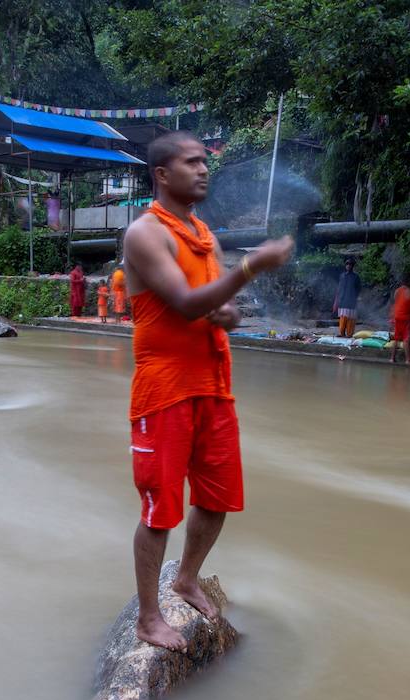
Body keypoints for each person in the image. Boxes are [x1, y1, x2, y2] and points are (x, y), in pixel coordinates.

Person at [122, 130, 293, 651]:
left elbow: (222, 312)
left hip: (214, 388)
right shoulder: (145, 234)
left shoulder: (204, 235)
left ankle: (188, 577)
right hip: (165, 389)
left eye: (205, 162)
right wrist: (250, 268)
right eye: (192, 162)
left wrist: (231, 309)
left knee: (217, 499)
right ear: (162, 174)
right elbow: (187, 303)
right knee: (160, 510)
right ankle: (149, 617)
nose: (203, 170)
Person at [389, 278, 410, 365]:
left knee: (396, 338)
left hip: (397, 317)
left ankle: (392, 358)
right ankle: (408, 360)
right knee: (406, 338)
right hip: (406, 317)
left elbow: (396, 301)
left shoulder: (397, 291)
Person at [333, 257, 360, 337]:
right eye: (347, 264)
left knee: (350, 319)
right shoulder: (342, 276)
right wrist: (337, 300)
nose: (348, 265)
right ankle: (341, 333)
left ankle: (349, 334)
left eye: (350, 264)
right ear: (345, 265)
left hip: (351, 301)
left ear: (353, 266)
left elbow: (358, 289)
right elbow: (339, 288)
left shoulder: (356, 277)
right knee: (342, 318)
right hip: (343, 300)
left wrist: (355, 297)